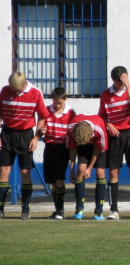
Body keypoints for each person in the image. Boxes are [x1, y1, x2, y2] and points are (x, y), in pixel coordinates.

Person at [0, 71, 47, 219]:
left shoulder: (35, 93)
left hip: (26, 135)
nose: (14, 92)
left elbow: (42, 116)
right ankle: (1, 209)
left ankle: (25, 209)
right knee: (3, 170)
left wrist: (36, 137)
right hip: (7, 133)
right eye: (12, 89)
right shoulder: (5, 91)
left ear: (24, 84)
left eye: (17, 90)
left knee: (25, 172)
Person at [98, 66, 130, 220]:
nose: (121, 86)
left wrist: (128, 86)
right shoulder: (105, 94)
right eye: (119, 83)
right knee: (113, 171)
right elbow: (102, 116)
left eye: (123, 82)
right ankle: (114, 211)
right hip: (115, 136)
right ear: (113, 81)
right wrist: (109, 125)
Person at [41, 87, 76, 220]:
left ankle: (61, 211)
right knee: (51, 180)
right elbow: (41, 128)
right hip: (49, 146)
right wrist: (42, 132)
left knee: (59, 177)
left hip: (63, 148)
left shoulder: (71, 113)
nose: (57, 105)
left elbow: (73, 134)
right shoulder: (47, 110)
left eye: (59, 103)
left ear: (65, 99)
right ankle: (57, 210)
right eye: (55, 102)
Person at [67, 114, 109, 220]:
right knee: (80, 170)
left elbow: (98, 149)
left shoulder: (99, 130)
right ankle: (79, 209)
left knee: (100, 172)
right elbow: (72, 149)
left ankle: (99, 211)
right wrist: (72, 169)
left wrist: (90, 168)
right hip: (83, 146)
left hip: (97, 147)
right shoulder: (71, 129)